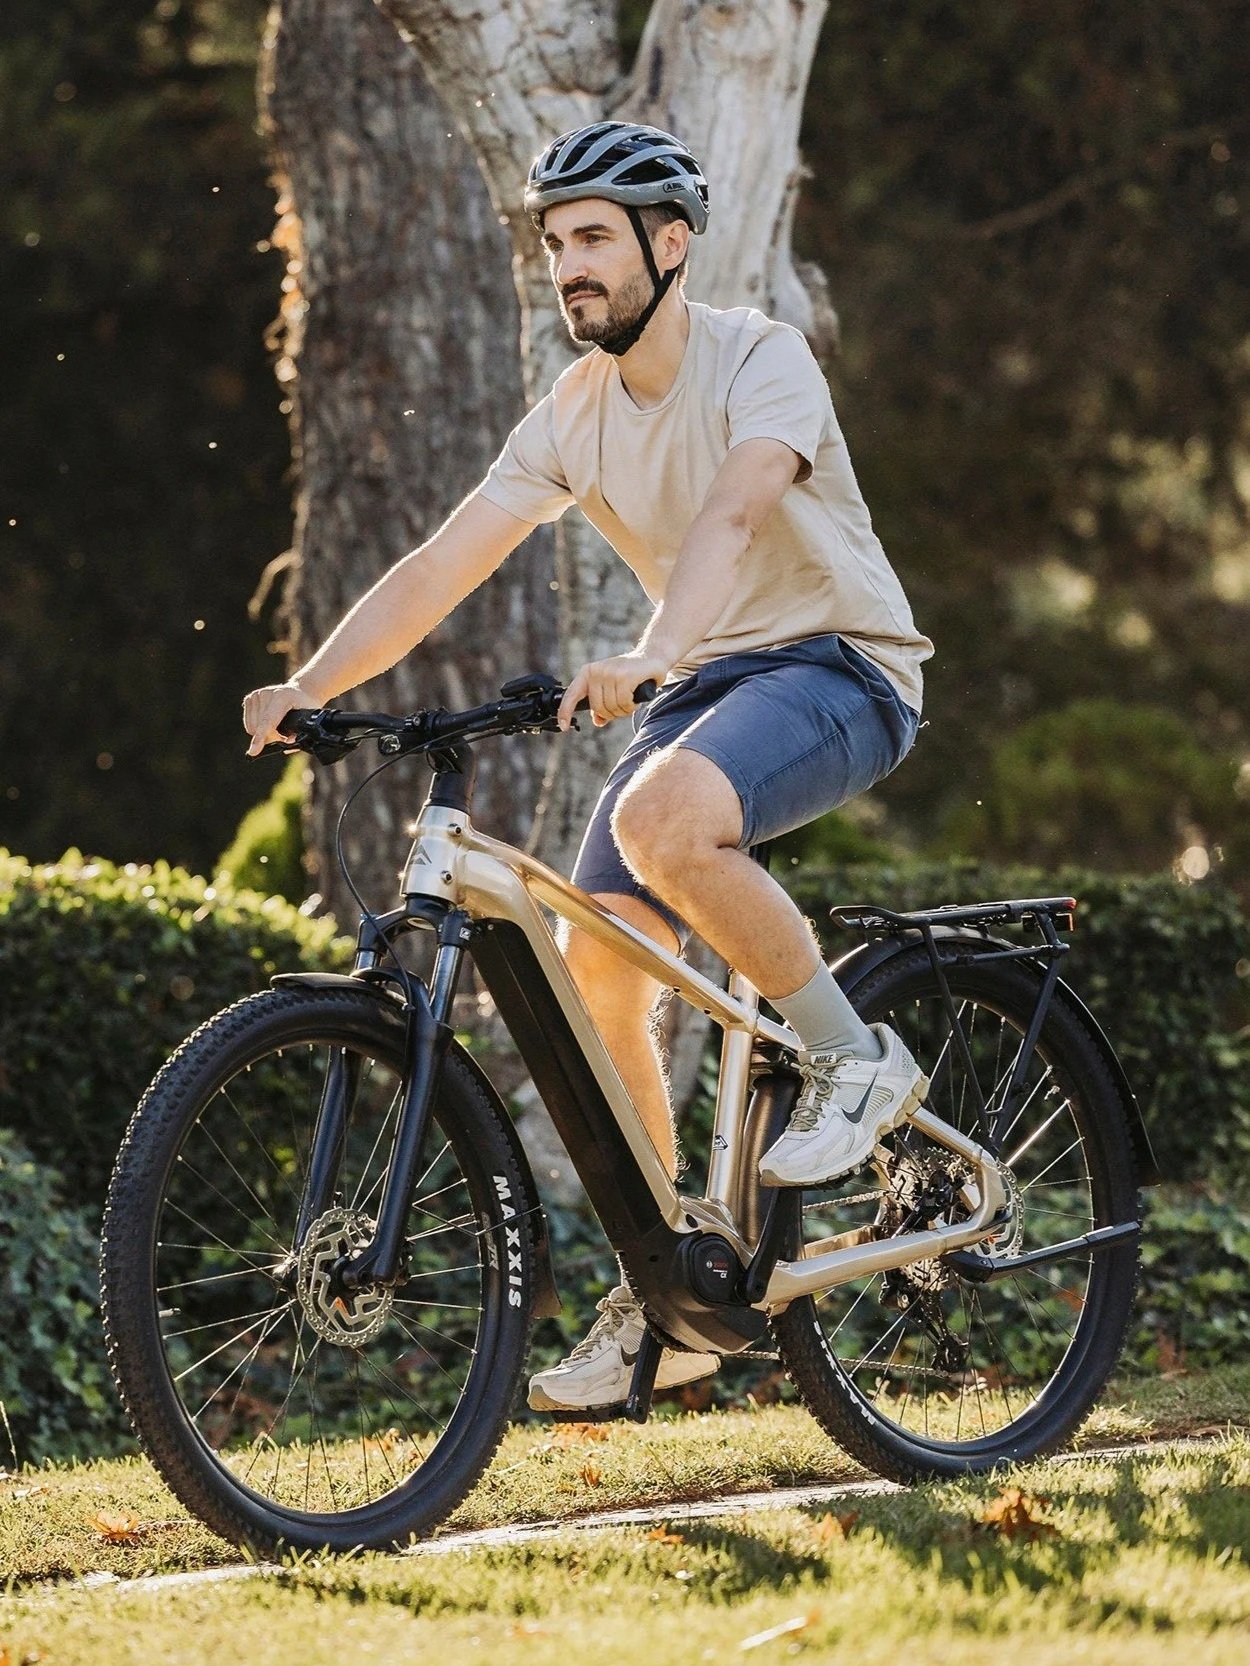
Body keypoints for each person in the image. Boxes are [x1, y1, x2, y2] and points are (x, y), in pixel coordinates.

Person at [242, 121, 934, 1413]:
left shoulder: (758, 359)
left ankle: (853, 1058)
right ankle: (669, 1287)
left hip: (838, 664)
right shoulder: (571, 412)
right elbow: (443, 564)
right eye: (555, 242)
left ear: (669, 245)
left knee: (667, 815)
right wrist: (313, 688)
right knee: (593, 972)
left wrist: (653, 648)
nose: (569, 265)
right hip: (708, 686)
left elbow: (733, 512)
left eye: (594, 238)